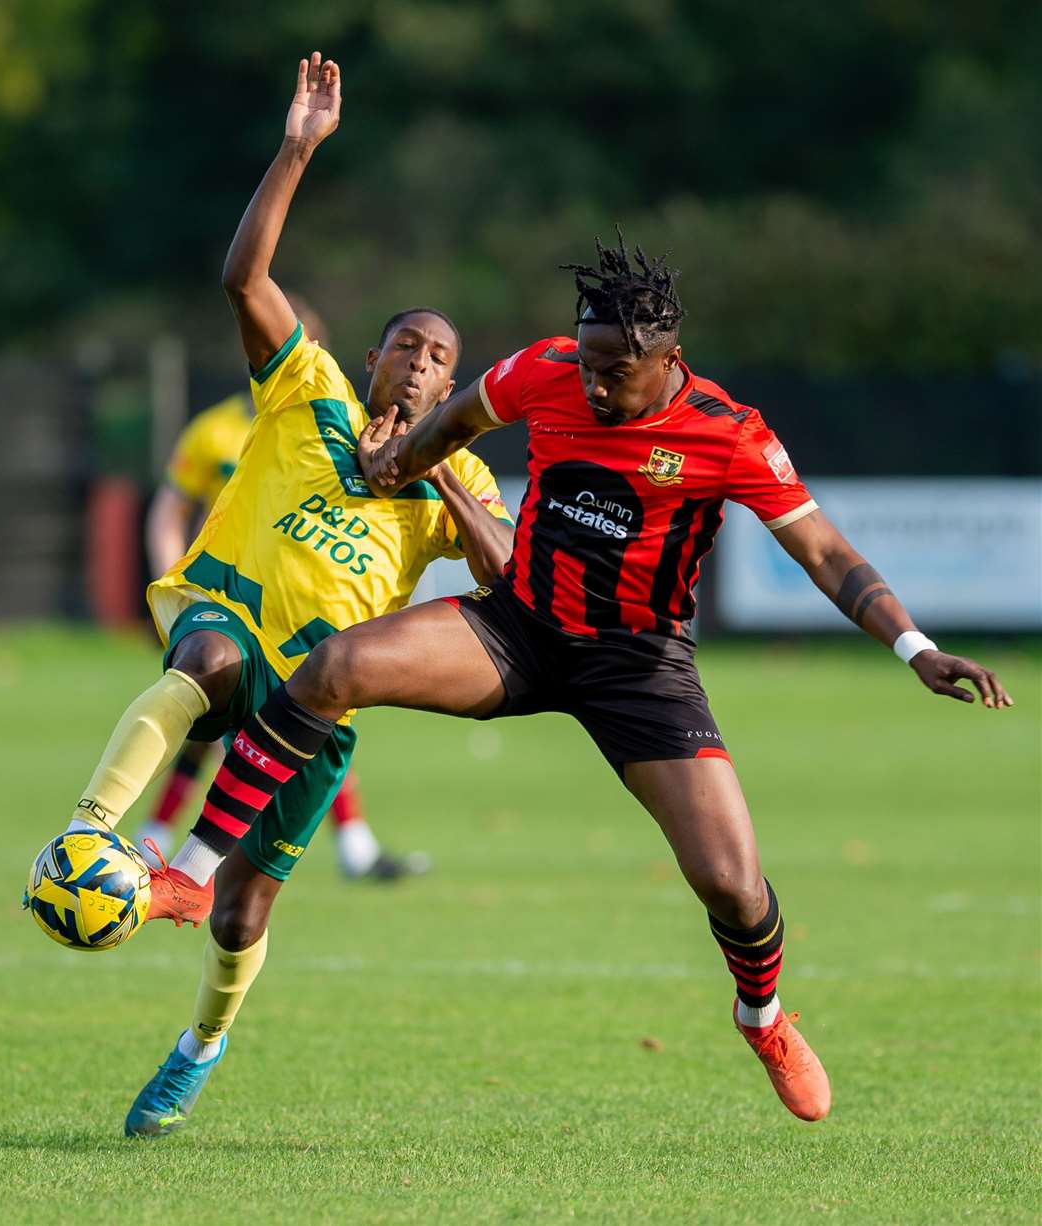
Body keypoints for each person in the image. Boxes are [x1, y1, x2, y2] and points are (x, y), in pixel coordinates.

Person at [178, 221, 1013, 1127]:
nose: (594, 382)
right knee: (335, 666)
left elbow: (824, 553)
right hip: (518, 630)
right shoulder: (546, 367)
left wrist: (915, 646)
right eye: (587, 361)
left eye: (616, 369)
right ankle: (190, 866)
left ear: (669, 360)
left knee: (732, 884)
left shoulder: (727, 435)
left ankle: (764, 1017)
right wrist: (397, 463)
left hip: (640, 668)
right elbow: (455, 421)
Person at [45, 54, 514, 1135]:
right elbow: (244, 282)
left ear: (453, 386)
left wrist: (438, 461)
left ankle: (200, 1043)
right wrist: (297, 148)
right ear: (372, 354)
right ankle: (91, 833)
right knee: (201, 662)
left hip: (316, 695)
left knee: (249, 902)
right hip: (236, 619)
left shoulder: (468, 477)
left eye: (439, 357)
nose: (418, 360)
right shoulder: (310, 393)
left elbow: (505, 577)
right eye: (405, 342)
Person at [138, 300, 428, 883]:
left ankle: (162, 844)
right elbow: (169, 511)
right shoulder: (214, 430)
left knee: (304, 719)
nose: (301, 352)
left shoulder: (332, 425)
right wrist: (174, 587)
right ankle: (164, 846)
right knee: (232, 718)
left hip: (294, 605)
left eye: (311, 344)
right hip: (224, 598)